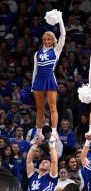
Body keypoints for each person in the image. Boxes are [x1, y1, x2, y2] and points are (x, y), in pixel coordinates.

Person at [32, 10, 66, 141]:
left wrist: (60, 19)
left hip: (50, 79)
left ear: (53, 41)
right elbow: (35, 70)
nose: (46, 41)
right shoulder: (37, 53)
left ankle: (54, 132)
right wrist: (32, 85)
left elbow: (63, 34)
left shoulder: (56, 51)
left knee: (52, 107)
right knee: (39, 108)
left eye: (49, 39)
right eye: (44, 39)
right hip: (38, 81)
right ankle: (39, 133)